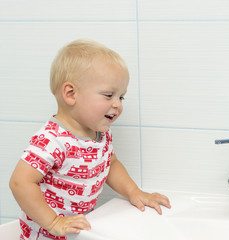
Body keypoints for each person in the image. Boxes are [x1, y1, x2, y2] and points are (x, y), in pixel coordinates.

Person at [9, 39, 171, 239]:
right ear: (71, 94)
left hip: (75, 229)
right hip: (44, 234)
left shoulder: (100, 133)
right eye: (109, 95)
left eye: (121, 97)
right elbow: (20, 183)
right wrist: (53, 222)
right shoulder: (52, 139)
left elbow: (110, 164)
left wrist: (133, 192)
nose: (117, 105)